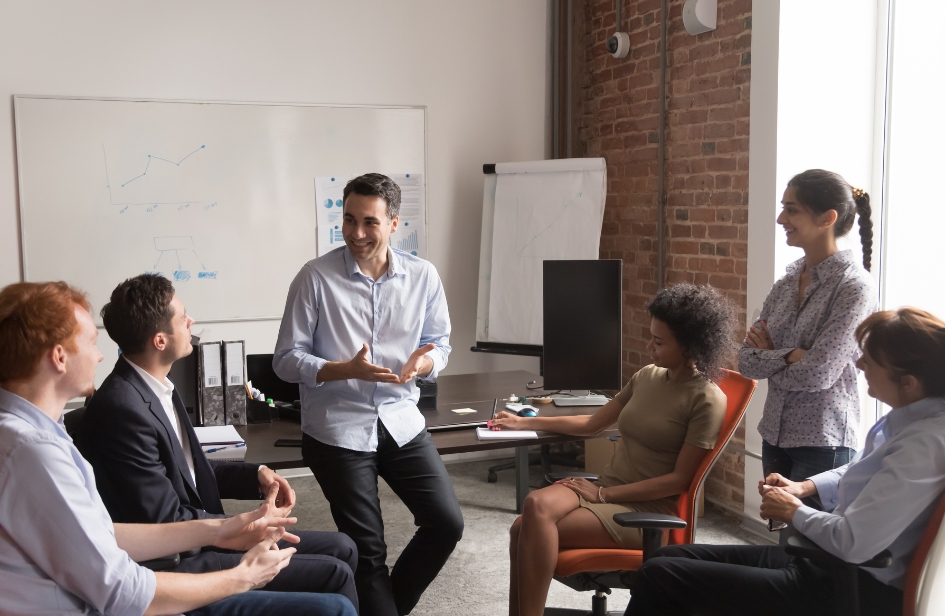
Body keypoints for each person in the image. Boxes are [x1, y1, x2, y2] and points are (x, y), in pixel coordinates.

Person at [0, 280, 356, 616]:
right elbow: (119, 590)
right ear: (59, 358)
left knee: (341, 553)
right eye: (91, 343)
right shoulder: (36, 451)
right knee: (334, 599)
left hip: (144, 568)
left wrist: (224, 527)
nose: (99, 356)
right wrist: (242, 576)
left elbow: (103, 532)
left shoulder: (34, 432)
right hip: (138, 584)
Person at [626, 307, 945, 616]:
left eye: (871, 360)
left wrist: (794, 511)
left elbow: (852, 542)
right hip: (827, 565)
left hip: (851, 587)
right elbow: (860, 469)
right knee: (669, 557)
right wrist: (803, 487)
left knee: (660, 575)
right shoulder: (906, 420)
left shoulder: (923, 445)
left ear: (908, 382)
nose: (859, 363)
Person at [273, 173, 464, 616]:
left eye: (370, 222)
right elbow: (285, 360)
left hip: (400, 420)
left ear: (394, 223)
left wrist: (426, 362)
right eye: (349, 220)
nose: (357, 233)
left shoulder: (423, 276)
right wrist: (343, 370)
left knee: (446, 523)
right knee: (368, 551)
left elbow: (442, 343)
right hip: (336, 428)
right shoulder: (315, 277)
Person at [491, 284, 737, 616]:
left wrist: (605, 496)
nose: (650, 348)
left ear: (691, 344)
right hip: (606, 487)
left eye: (659, 342)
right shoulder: (648, 376)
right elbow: (592, 423)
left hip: (644, 513)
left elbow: (680, 480)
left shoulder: (706, 399)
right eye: (651, 337)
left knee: (525, 530)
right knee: (533, 506)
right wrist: (522, 423)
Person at [740, 169, 877, 485]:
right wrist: (792, 356)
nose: (780, 219)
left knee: (807, 535)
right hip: (774, 434)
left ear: (827, 218)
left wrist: (773, 355)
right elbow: (746, 361)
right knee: (780, 529)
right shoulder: (787, 281)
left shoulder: (854, 287)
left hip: (823, 441)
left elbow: (820, 373)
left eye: (792, 209)